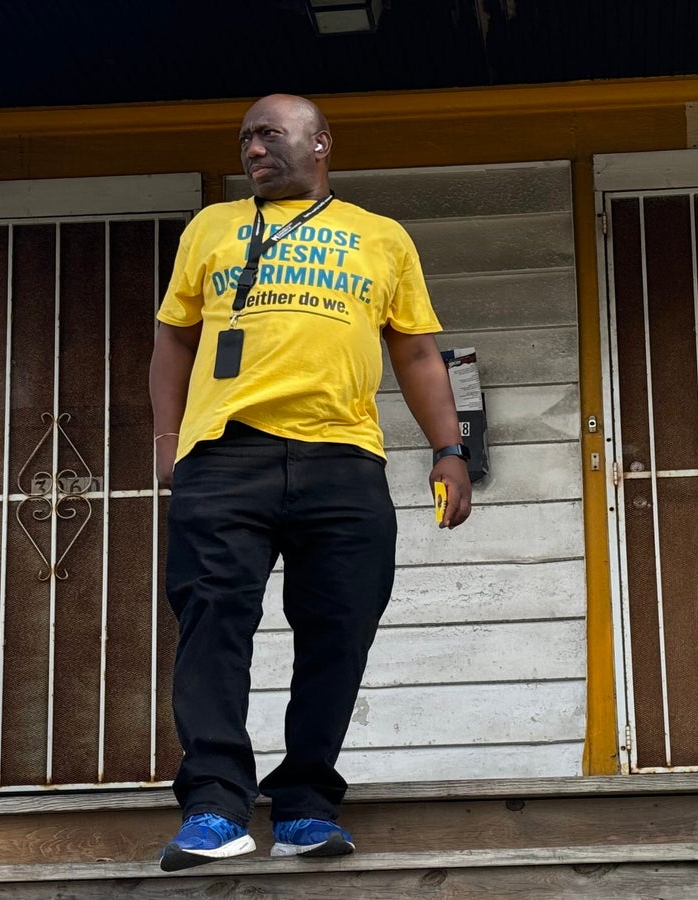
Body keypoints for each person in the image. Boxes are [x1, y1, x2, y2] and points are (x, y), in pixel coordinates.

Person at [148, 94, 472, 871]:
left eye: (269, 134)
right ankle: (215, 806)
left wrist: (449, 449)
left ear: (321, 143)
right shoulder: (212, 229)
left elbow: (416, 353)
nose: (253, 149)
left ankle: (304, 805)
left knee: (339, 632)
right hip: (225, 456)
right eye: (244, 139)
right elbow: (174, 339)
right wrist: (168, 438)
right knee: (212, 624)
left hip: (343, 461)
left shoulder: (381, 237)